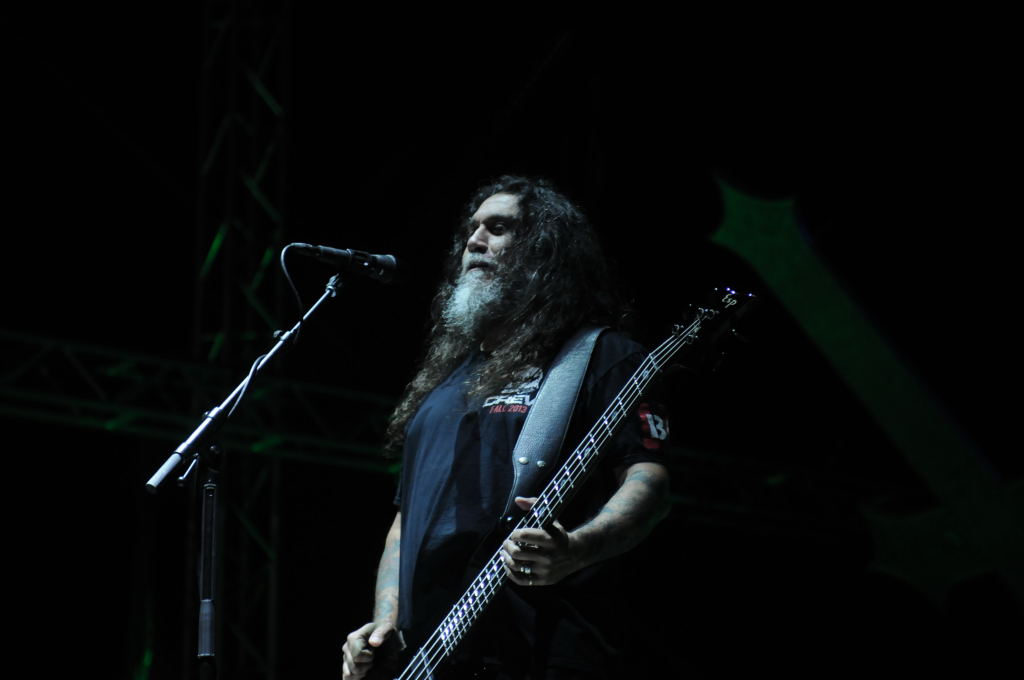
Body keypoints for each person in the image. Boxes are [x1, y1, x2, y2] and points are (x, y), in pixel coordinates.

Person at [342, 176, 671, 680]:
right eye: (472, 230)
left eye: (498, 228)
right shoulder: (443, 387)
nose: (475, 241)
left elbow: (649, 479)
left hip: (540, 649)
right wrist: (385, 625)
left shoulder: (597, 357)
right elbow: (406, 523)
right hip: (430, 657)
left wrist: (576, 548)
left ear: (544, 251)